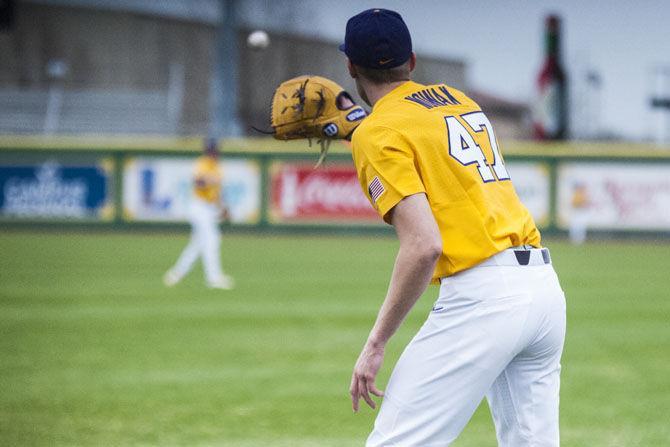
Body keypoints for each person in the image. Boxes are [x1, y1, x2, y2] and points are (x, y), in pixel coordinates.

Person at [341, 9, 566, 447]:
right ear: (412, 61)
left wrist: (375, 344)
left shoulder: (377, 132)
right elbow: (418, 130)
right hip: (542, 289)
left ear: (349, 66)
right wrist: (363, 127)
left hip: (484, 298)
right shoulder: (457, 99)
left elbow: (423, 246)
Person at [163, 139, 234, 290]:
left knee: (198, 244)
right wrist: (210, 179)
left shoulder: (217, 167)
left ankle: (176, 273)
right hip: (199, 206)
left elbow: (216, 193)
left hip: (209, 208)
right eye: (211, 151)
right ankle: (213, 278)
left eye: (214, 151)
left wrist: (223, 208)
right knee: (212, 240)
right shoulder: (203, 163)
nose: (213, 153)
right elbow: (198, 182)